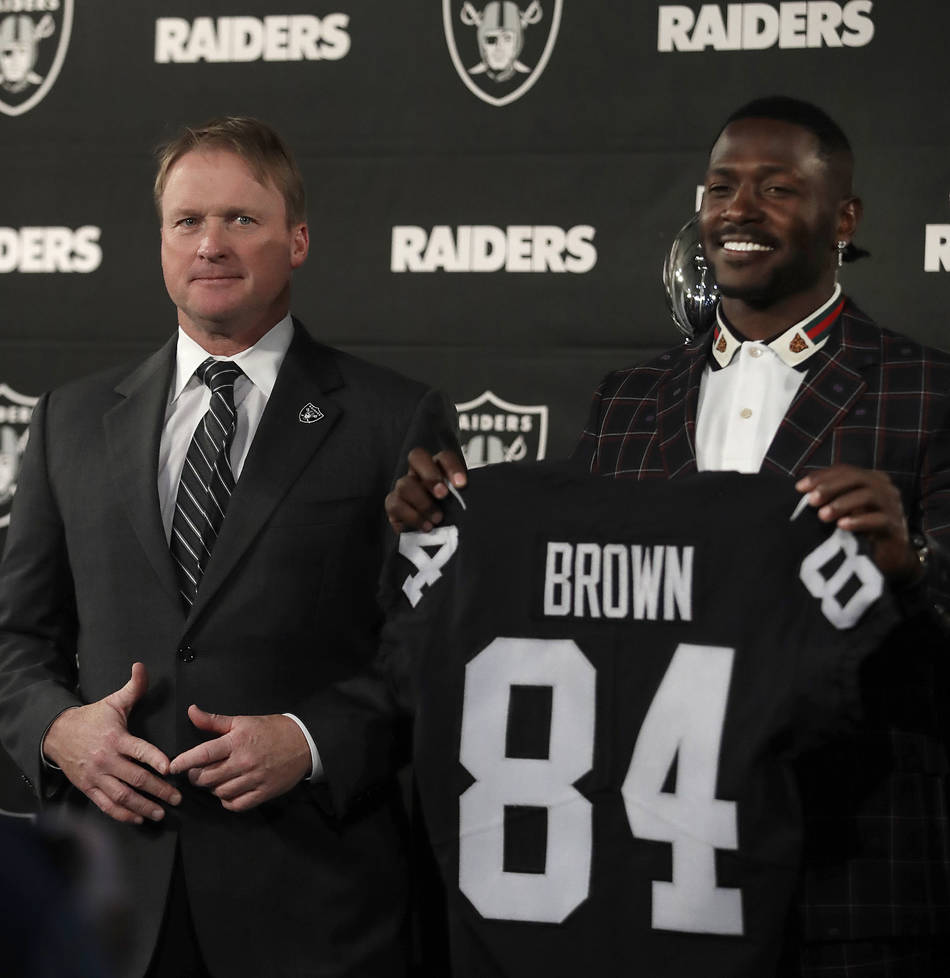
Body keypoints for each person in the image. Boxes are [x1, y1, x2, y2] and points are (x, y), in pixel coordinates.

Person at [385, 97, 950, 976]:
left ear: (844, 219)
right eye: (721, 187)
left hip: (852, 888)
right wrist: (448, 529)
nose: (739, 210)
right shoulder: (631, 398)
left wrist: (909, 574)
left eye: (776, 188)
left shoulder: (928, 394)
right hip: (657, 893)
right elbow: (574, 609)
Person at [0, 116, 458, 978]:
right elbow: (17, 639)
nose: (211, 243)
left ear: (298, 239)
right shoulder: (70, 421)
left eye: (242, 219)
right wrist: (58, 730)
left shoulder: (395, 419)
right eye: (187, 221)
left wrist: (311, 738)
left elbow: (431, 646)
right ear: (162, 242)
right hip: (105, 908)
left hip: (314, 905)